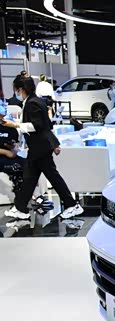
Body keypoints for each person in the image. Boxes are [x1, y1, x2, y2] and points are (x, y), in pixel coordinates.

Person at [2, 76, 83, 220]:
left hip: (39, 147)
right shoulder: (35, 101)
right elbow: (47, 125)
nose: (16, 93)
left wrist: (15, 125)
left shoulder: (32, 103)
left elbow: (38, 125)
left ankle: (71, 205)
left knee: (50, 177)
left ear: (21, 89)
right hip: (39, 147)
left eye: (16, 90)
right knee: (30, 177)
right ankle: (20, 208)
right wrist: (54, 143)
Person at [0, 99, 24, 196]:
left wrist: (12, 148)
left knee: (28, 165)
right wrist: (6, 152)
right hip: (3, 156)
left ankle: (33, 195)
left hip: (10, 156)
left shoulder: (10, 128)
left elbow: (15, 146)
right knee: (14, 167)